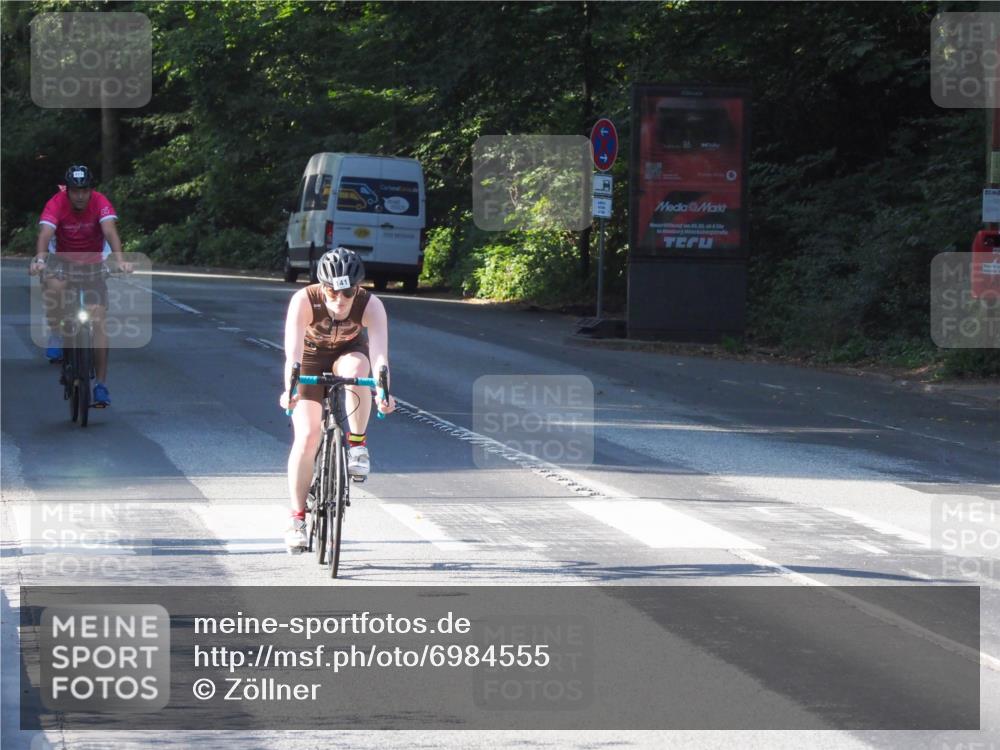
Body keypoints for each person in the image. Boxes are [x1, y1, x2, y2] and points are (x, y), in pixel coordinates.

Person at [279, 247, 395, 552]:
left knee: (360, 368)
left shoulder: (372, 305)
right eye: (332, 291)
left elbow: (380, 355)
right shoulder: (304, 300)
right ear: (322, 286)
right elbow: (291, 353)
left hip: (348, 354)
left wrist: (383, 391)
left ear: (357, 288)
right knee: (306, 437)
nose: (340, 300)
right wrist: (289, 389)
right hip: (309, 360)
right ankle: (297, 519)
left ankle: (357, 446)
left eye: (347, 292)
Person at [28, 165, 132, 407]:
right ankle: (56, 332)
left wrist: (120, 260)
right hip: (61, 260)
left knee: (98, 322)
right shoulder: (56, 203)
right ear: (68, 191)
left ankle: (101, 385)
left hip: (92, 262)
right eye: (75, 190)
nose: (79, 195)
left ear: (90, 189)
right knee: (55, 288)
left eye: (84, 190)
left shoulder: (100, 202)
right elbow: (45, 234)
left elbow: (109, 231)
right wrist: (41, 260)